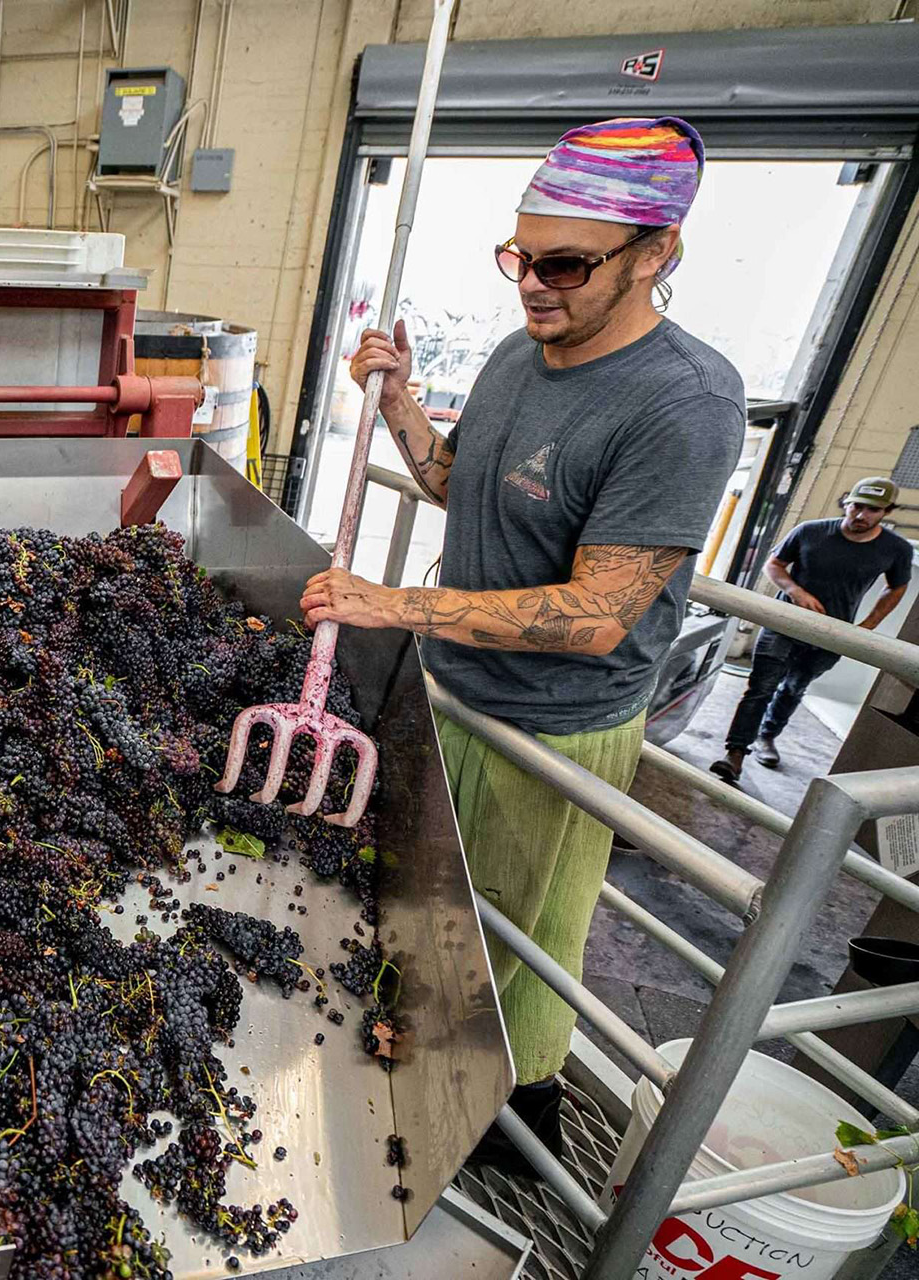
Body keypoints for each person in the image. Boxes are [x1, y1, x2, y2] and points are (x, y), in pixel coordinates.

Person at [302, 118, 743, 1171]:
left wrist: (398, 605)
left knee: (510, 934)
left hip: (551, 728)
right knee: (434, 904)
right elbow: (455, 484)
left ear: (656, 255)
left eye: (565, 263)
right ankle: (440, 1068)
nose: (532, 286)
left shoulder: (682, 402)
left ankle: (508, 1119)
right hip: (457, 686)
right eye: (519, 256)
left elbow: (598, 615)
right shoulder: (516, 354)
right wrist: (401, 401)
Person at [711, 478, 912, 783]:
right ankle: (735, 753)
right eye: (857, 506)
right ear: (846, 503)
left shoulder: (895, 548)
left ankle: (768, 735)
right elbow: (774, 564)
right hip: (785, 623)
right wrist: (795, 591)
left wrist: (868, 627)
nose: (861, 515)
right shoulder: (811, 531)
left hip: (833, 634)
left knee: (793, 688)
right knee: (761, 688)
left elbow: (896, 587)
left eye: (872, 510)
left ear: (886, 512)